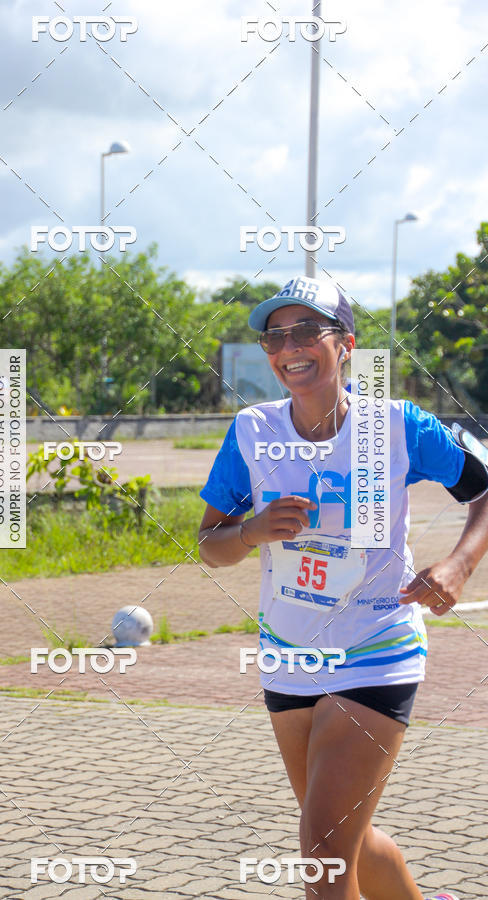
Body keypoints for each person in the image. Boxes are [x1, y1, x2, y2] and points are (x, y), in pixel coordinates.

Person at [198, 275, 488, 900]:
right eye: (276, 336)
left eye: (308, 330)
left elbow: (484, 489)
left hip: (376, 648)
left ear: (346, 343)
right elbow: (210, 548)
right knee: (345, 837)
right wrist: (250, 532)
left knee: (324, 859)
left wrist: (459, 565)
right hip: (288, 656)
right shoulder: (252, 431)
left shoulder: (397, 425)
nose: (290, 346)